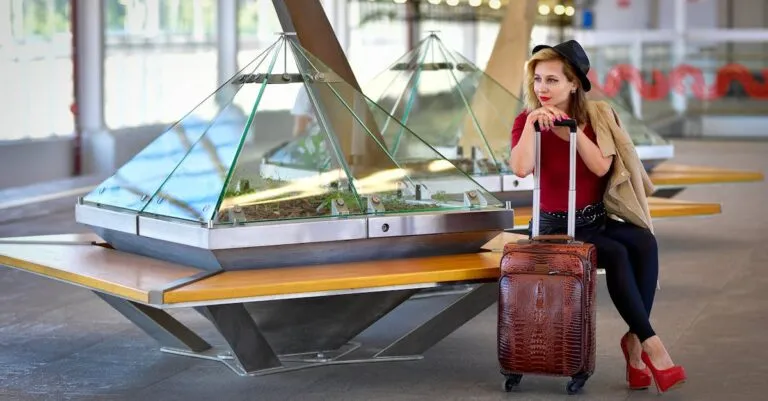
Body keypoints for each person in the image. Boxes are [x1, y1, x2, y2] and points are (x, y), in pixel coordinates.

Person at [508, 40, 687, 393]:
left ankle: (634, 340)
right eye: (538, 79)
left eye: (552, 80)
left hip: (594, 221)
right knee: (617, 253)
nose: (543, 88)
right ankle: (652, 346)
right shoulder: (526, 121)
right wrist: (532, 125)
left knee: (644, 241)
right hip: (553, 228)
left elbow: (601, 167)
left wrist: (570, 131)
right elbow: (521, 167)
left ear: (574, 84)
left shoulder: (596, 118)